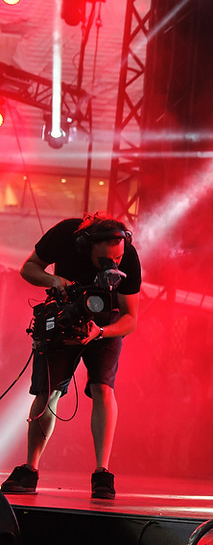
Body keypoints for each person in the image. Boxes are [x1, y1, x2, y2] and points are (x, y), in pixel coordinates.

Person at [1, 212, 141, 500]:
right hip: (64, 313)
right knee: (47, 391)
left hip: (105, 323)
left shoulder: (128, 256)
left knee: (103, 388)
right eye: (107, 261)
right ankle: (30, 469)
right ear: (85, 246)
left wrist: (100, 332)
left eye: (118, 259)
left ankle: (102, 473)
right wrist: (55, 281)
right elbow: (29, 268)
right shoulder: (65, 234)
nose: (115, 265)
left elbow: (131, 318)